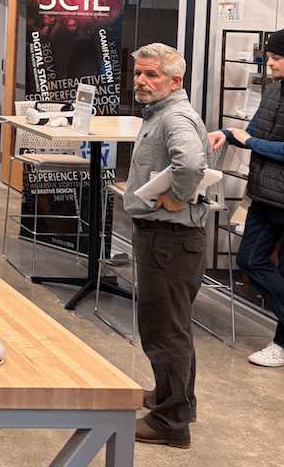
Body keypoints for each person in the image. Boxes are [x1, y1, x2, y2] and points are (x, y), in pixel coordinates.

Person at [122, 43, 209, 449]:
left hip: (168, 241)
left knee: (164, 331)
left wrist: (178, 195)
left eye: (151, 75)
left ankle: (171, 422)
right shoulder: (162, 113)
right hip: (169, 240)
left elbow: (189, 163)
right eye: (138, 73)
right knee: (172, 326)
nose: (141, 80)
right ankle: (172, 399)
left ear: (175, 81)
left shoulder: (174, 116)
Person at [209, 27, 284, 371]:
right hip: (263, 194)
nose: (270, 63)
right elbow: (250, 133)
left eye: (277, 57)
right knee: (250, 259)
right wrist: (226, 134)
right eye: (269, 57)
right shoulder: (273, 90)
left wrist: (249, 142)